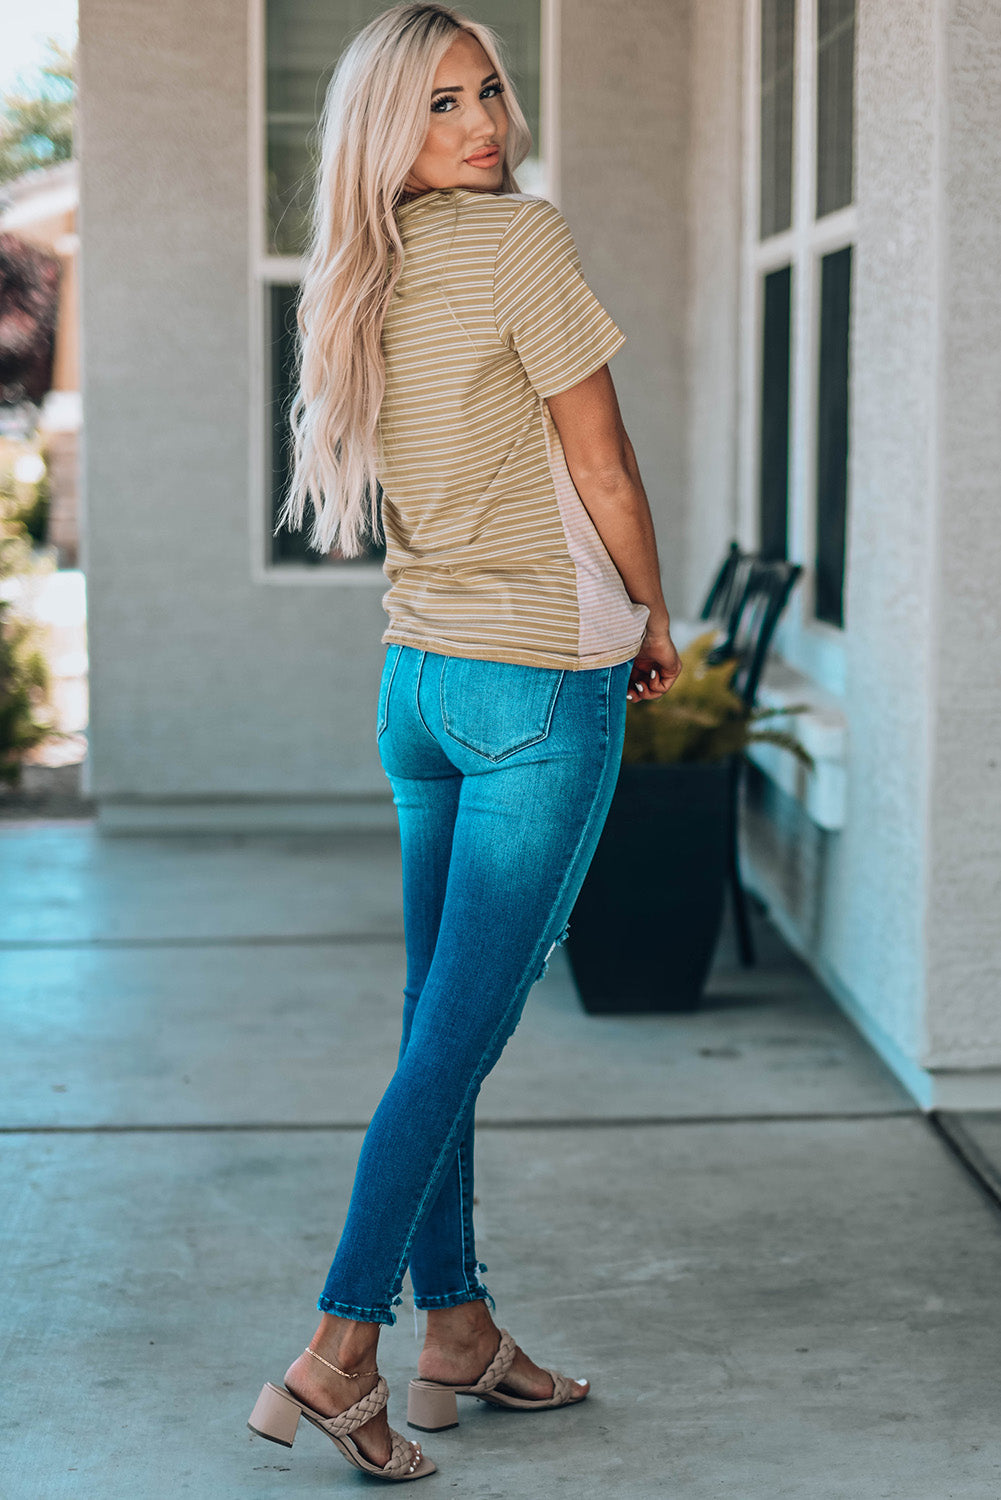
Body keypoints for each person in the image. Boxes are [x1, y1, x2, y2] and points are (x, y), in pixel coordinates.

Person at [248, 1, 681, 1482]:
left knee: (437, 1023)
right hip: (533, 683)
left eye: (486, 88)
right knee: (457, 1037)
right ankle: (340, 1348)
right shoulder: (520, 241)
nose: (482, 121)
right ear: (388, 129)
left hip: (417, 686)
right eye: (439, 103)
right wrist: (654, 613)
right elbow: (603, 463)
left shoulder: (364, 272)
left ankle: (458, 1328)